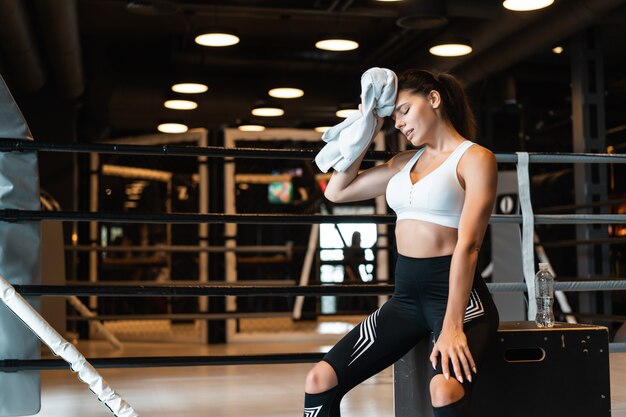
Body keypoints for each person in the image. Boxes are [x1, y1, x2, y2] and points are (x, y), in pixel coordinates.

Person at [303, 69, 500, 417]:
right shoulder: (402, 162)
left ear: (434, 99)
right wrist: (367, 129)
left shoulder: (474, 158)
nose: (399, 124)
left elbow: (468, 246)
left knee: (443, 389)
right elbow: (337, 191)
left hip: (458, 302)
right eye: (392, 118)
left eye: (404, 111)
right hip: (406, 300)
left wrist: (452, 326)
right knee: (320, 380)